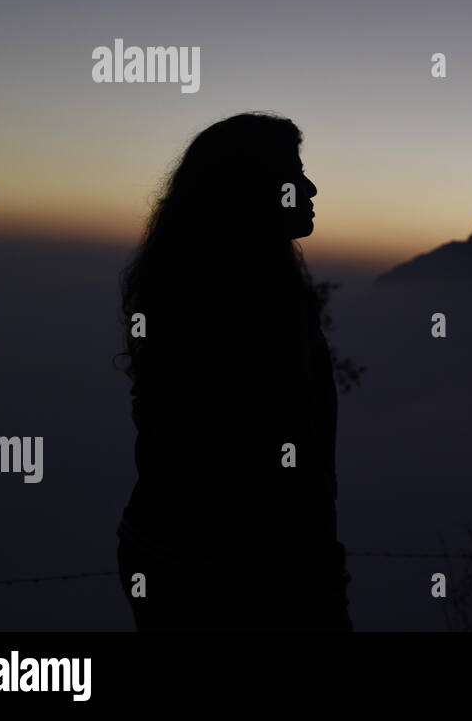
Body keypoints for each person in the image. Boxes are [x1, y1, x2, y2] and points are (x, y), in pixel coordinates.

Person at [115, 112, 353, 631]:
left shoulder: (183, 287)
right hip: (239, 580)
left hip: (161, 553)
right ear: (252, 192)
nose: (310, 187)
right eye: (293, 174)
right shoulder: (261, 307)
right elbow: (285, 459)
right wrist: (317, 575)